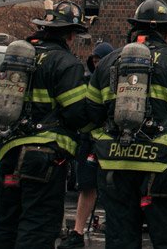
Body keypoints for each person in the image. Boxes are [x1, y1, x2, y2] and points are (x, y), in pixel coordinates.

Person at [87, 0, 167, 249]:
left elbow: (90, 114)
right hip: (162, 167)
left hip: (114, 166)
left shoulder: (109, 62)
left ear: (136, 27)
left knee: (120, 239)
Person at [0, 0, 92, 249]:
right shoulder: (66, 63)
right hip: (43, 157)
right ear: (70, 34)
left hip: (8, 150)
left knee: (4, 222)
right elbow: (76, 112)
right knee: (38, 225)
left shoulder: (16, 59)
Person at [61, 40, 114, 249]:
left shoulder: (113, 82)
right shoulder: (86, 81)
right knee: (86, 187)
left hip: (108, 142)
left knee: (112, 188)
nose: (97, 63)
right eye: (95, 60)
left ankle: (114, 225)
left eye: (101, 59)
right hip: (89, 140)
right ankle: (77, 231)